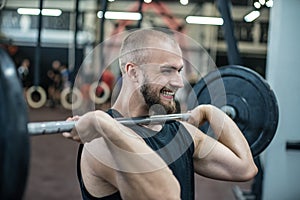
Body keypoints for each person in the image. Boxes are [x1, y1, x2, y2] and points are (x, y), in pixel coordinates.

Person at [63, 29, 257, 200]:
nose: (179, 83)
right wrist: (105, 126)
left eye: (179, 71)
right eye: (167, 70)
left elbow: (244, 167)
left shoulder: (181, 132)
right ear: (133, 72)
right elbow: (166, 195)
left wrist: (211, 111)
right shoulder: (101, 142)